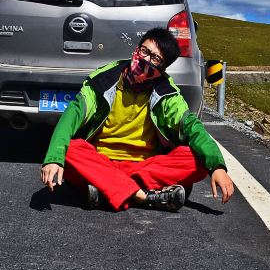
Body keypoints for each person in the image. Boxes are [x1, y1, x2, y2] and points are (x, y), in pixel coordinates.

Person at [40, 27, 235, 211]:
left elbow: (193, 127)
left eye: (156, 59)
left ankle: (107, 189)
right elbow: (73, 114)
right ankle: (142, 196)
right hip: (101, 161)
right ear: (137, 49)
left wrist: (217, 167)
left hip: (143, 166)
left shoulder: (167, 94)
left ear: (163, 68)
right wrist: (54, 159)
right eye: (144, 51)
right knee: (70, 148)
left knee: (195, 159)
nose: (146, 60)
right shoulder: (103, 81)